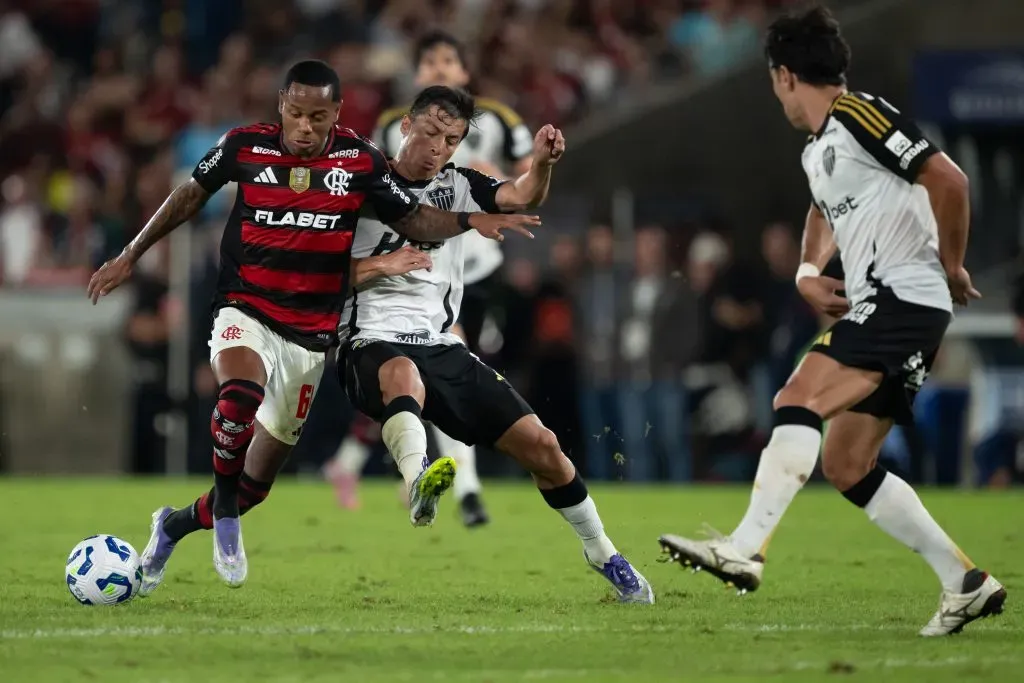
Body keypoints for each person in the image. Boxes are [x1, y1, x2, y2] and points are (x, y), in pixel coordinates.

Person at [87, 61, 540, 593]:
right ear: (281, 104)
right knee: (237, 396)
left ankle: (175, 524)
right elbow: (189, 195)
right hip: (245, 307)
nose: (304, 127)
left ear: (337, 115)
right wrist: (129, 253)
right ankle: (226, 516)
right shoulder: (243, 147)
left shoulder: (358, 161)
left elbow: (412, 218)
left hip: (309, 337)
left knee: (257, 483)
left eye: (317, 117)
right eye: (296, 113)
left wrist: (467, 220)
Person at [657, 5, 1005, 636]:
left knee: (797, 396)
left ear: (785, 75)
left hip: (901, 297)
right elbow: (822, 214)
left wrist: (952, 267)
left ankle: (746, 547)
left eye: (774, 83)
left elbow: (949, 181)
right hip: (893, 305)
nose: (777, 96)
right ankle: (965, 583)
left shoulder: (857, 115)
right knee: (847, 463)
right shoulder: (819, 150)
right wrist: (805, 271)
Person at [336, 85, 652, 602]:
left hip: (441, 346)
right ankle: (419, 479)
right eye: (432, 132)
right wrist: (380, 266)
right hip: (367, 340)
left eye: (452, 139)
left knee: (544, 447)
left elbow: (520, 194)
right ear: (407, 127)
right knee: (403, 376)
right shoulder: (358, 181)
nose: (439, 147)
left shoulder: (459, 183)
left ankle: (603, 553)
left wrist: (543, 165)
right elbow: (316, 272)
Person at [327, 31, 533, 525]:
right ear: (418, 75)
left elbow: (523, 184)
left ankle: (358, 463)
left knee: (418, 381)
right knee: (425, 365)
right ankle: (466, 493)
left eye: (449, 60)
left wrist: (507, 171)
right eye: (431, 61)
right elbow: (387, 189)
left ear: (464, 72)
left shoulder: (500, 119)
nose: (440, 68)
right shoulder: (388, 127)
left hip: (476, 267)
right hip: (412, 272)